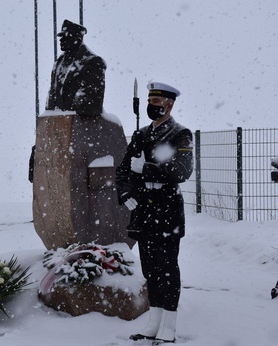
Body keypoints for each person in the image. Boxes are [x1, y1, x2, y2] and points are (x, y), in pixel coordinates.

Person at [115, 82, 194, 344]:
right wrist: (125, 193)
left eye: (157, 103)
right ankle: (154, 322)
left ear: (169, 105)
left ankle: (169, 325)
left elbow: (182, 171)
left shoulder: (181, 134)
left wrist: (147, 168)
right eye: (150, 102)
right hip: (144, 209)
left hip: (167, 209)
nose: (152, 107)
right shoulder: (140, 135)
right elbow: (124, 170)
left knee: (167, 268)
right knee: (150, 269)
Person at [45, 19, 106, 116]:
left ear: (77, 38)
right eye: (61, 36)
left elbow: (91, 103)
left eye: (65, 36)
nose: (61, 39)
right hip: (59, 123)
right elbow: (52, 96)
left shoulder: (92, 62)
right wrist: (51, 115)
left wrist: (71, 115)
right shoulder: (58, 63)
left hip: (81, 124)